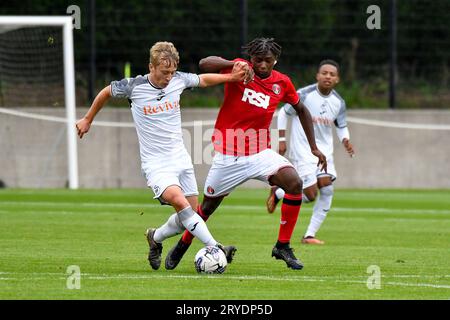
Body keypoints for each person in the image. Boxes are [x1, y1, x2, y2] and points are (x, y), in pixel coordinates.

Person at [75, 41, 250, 270]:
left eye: (172, 72)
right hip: (156, 164)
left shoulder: (178, 81)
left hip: (181, 159)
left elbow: (203, 79)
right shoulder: (134, 86)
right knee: (179, 202)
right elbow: (106, 92)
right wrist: (88, 119)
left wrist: (231, 78)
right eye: (164, 72)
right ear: (151, 67)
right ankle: (217, 246)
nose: (168, 77)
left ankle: (155, 237)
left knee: (187, 217)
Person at [164, 38, 327, 271]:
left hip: (260, 153)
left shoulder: (282, 83)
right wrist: (235, 63)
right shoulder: (238, 68)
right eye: (257, 59)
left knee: (294, 182)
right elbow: (203, 64)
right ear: (251, 59)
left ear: (275, 60)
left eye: (267, 60)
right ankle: (183, 243)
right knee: (208, 207)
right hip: (228, 156)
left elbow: (301, 109)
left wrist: (313, 147)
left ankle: (282, 246)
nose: (261, 65)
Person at [266, 59, 355, 245]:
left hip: (325, 153)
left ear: (337, 79)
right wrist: (282, 140)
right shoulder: (304, 95)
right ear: (318, 76)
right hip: (303, 151)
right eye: (324, 73)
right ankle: (279, 193)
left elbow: (341, 126)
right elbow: (283, 113)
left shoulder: (338, 102)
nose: (327, 76)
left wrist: (345, 140)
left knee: (328, 189)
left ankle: (309, 235)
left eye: (332, 74)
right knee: (310, 195)